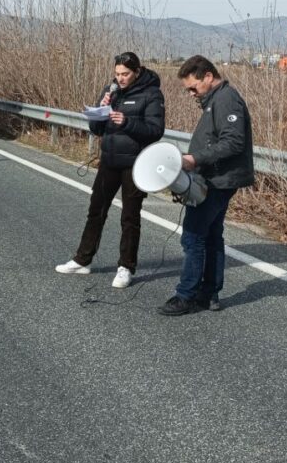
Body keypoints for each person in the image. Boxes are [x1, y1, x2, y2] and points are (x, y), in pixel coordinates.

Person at [55, 51, 165, 287]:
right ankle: (82, 260)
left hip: (135, 164)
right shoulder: (110, 90)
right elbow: (96, 128)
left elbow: (156, 130)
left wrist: (127, 122)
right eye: (117, 74)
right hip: (109, 161)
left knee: (130, 217)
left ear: (136, 72)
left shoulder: (151, 93)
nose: (120, 78)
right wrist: (100, 110)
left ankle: (126, 267)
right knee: (96, 211)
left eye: (125, 74)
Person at [158, 55, 254, 316]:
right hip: (217, 178)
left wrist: (195, 158)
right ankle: (209, 293)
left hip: (218, 181)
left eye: (193, 87)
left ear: (208, 77)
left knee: (193, 237)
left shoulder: (226, 99)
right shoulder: (215, 100)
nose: (191, 93)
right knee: (211, 236)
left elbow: (234, 142)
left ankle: (185, 295)